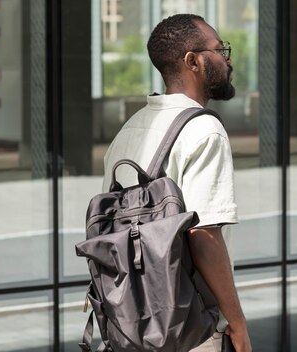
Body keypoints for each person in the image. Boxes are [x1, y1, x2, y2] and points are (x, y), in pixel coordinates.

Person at [101, 14, 252, 352]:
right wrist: (238, 323)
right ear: (193, 61)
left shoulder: (130, 130)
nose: (227, 59)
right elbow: (203, 234)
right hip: (191, 328)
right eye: (219, 49)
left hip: (131, 325)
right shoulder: (204, 130)